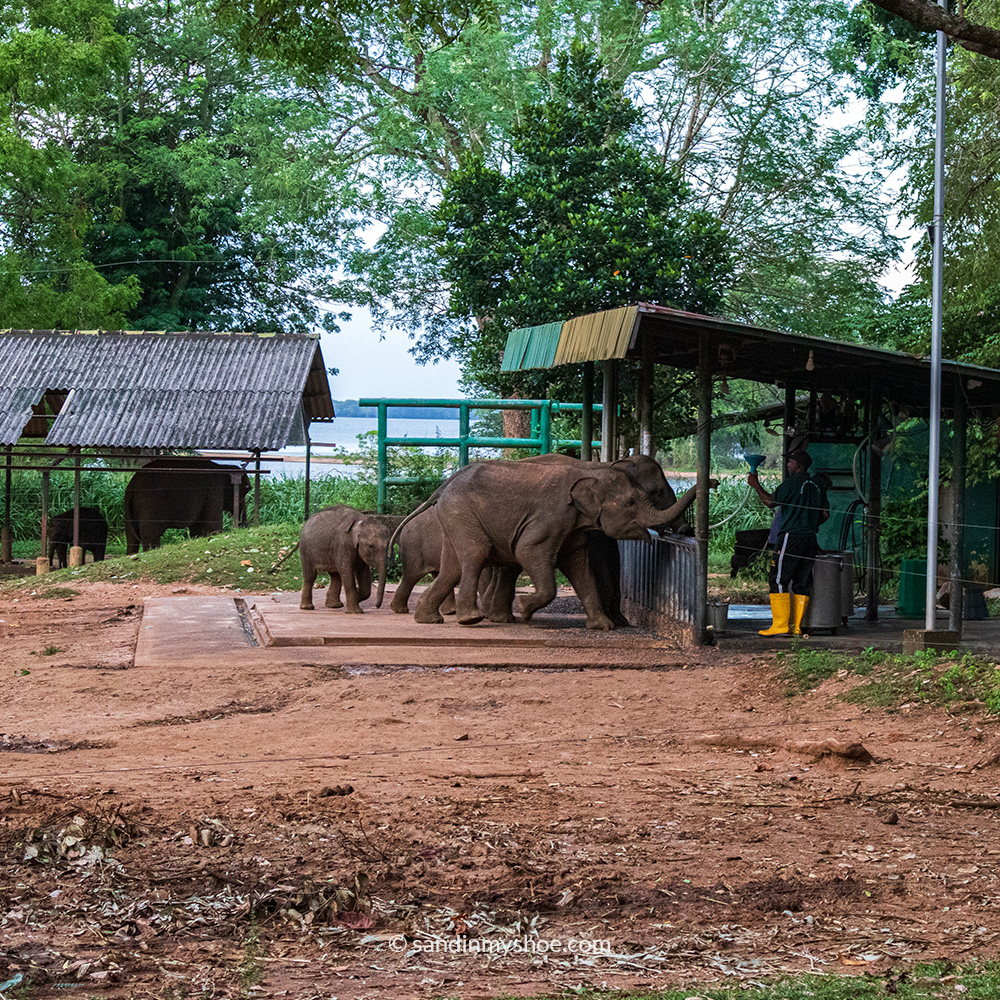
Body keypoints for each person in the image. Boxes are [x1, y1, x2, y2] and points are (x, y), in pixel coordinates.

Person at [747, 449, 829, 636]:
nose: (787, 465)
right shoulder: (817, 485)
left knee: (778, 578)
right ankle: (796, 626)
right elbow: (825, 514)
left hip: (791, 537)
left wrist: (756, 485)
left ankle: (781, 625)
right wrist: (808, 523)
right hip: (810, 538)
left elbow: (769, 502)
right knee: (802, 580)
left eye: (790, 462)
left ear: (798, 465)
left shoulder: (790, 485)